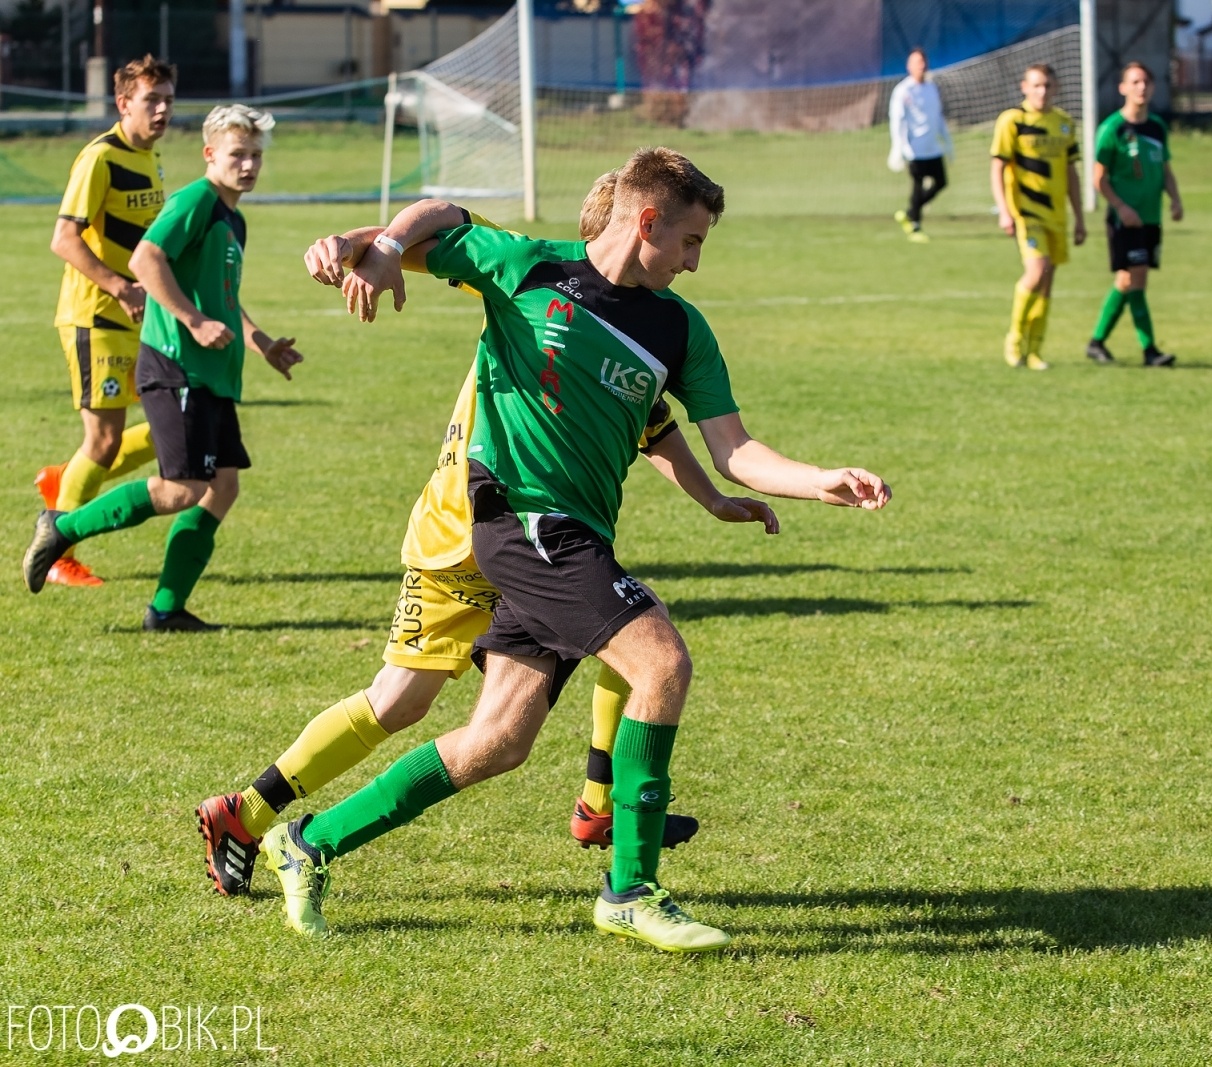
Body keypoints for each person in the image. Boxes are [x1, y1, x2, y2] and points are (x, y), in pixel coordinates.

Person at [260, 148, 891, 953]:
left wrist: (819, 479)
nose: (696, 262)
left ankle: (308, 841)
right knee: (661, 661)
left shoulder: (680, 327)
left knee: (499, 740)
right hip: (520, 518)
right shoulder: (530, 268)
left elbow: (734, 447)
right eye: (692, 241)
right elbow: (441, 219)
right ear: (648, 220)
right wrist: (378, 249)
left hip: (574, 534)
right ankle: (630, 888)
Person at [195, 172, 780, 898]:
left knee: (619, 636)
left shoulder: (619, 325)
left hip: (535, 530)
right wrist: (356, 243)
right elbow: (427, 232)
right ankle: (246, 812)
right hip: (464, 531)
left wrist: (715, 498)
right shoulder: (529, 287)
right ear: (626, 226)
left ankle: (602, 806)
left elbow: (653, 427)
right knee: (402, 700)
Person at [22, 105, 304, 630]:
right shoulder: (195, 200)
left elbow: (222, 296)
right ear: (209, 155)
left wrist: (261, 342)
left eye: (256, 156)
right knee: (183, 490)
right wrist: (193, 322)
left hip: (212, 372)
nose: (248, 165)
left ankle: (167, 610)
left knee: (223, 486)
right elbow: (144, 259)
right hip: (177, 366)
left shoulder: (231, 217)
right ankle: (62, 527)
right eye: (237, 154)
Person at [36, 55, 175, 587]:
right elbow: (63, 239)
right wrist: (120, 287)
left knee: (168, 428)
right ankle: (58, 552)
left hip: (138, 315)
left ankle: (65, 481)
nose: (162, 110)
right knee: (105, 440)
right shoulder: (100, 158)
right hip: (95, 315)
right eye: (151, 100)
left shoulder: (150, 158)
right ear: (123, 103)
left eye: (167, 99)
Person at [1085, 62, 1183, 368]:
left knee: (1128, 280)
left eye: (1146, 82)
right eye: (1135, 82)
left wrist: (1176, 199)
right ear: (1122, 88)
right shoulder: (1112, 129)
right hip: (1124, 219)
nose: (1141, 87)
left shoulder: (1156, 127)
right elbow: (1098, 178)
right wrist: (1121, 207)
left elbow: (1165, 169)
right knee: (1135, 276)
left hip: (1151, 216)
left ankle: (1097, 341)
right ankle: (1149, 350)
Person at [990, 63, 1086, 371]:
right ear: (1024, 87)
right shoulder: (1012, 121)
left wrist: (1080, 218)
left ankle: (1034, 350)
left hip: (1056, 215)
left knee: (1047, 282)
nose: (1042, 91)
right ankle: (1015, 339)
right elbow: (998, 168)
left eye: (1047, 86)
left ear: (1055, 88)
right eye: (1036, 85)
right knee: (1036, 271)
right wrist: (1004, 210)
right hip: (1026, 212)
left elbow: (1071, 173)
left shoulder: (1064, 124)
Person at [888, 47, 953, 244]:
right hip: (913, 149)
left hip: (933, 147)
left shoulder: (932, 88)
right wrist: (897, 147)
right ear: (909, 66)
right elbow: (897, 120)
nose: (921, 66)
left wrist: (948, 142)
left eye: (923, 61)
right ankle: (915, 225)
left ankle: (910, 213)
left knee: (941, 182)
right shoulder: (903, 91)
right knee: (917, 186)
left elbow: (938, 117)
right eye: (916, 62)